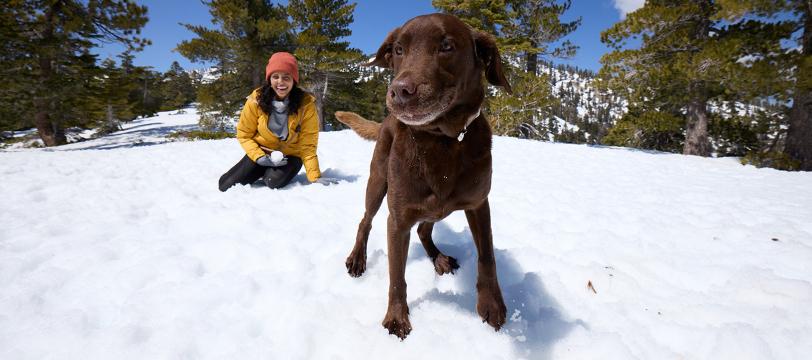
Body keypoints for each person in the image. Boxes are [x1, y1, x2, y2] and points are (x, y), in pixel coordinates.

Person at [219, 52, 331, 191]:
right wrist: (259, 157)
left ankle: (270, 173)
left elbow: (308, 144)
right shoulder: (256, 100)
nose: (280, 82)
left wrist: (314, 176)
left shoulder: (306, 105)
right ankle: (261, 168)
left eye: (286, 77)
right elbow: (244, 134)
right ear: (269, 79)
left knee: (272, 181)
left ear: (294, 80)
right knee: (225, 185)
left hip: (291, 156)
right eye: (275, 76)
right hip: (262, 151)